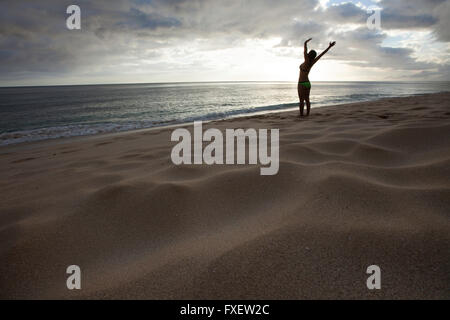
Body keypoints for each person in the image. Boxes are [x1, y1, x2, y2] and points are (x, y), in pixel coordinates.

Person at [298, 38, 336, 117]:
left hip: (301, 83)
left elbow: (304, 51)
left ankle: (301, 115)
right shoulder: (312, 62)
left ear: (309, 54)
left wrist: (305, 43)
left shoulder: (306, 61)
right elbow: (322, 54)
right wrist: (329, 47)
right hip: (307, 83)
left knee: (301, 100)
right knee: (307, 100)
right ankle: (307, 114)